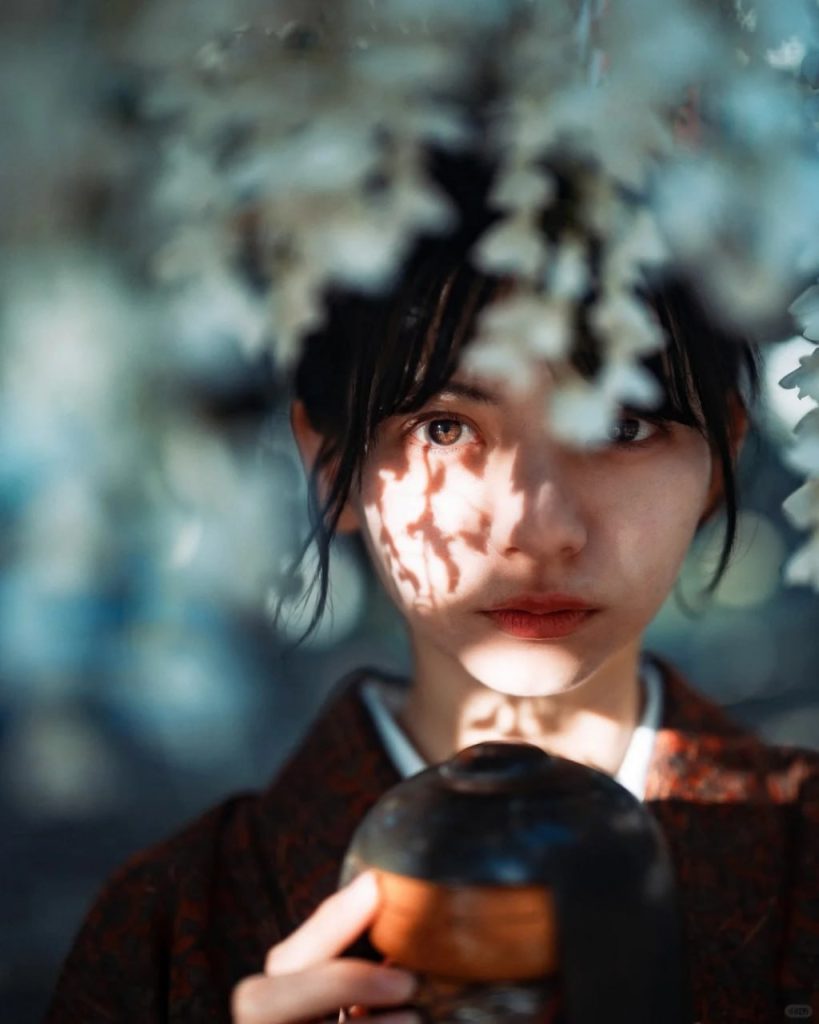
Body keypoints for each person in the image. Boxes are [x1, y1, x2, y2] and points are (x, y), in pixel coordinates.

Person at [44, 151, 819, 1024]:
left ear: (720, 457)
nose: (536, 526)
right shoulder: (172, 922)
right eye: (444, 428)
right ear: (332, 462)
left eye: (620, 423)